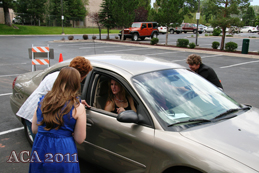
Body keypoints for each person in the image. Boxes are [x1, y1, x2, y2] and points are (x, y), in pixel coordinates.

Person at [16, 56, 92, 140]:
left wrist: (78, 101)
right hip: (36, 115)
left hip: (38, 113)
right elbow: (60, 99)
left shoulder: (59, 76)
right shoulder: (59, 80)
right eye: (84, 77)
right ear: (80, 75)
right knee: (42, 143)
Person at [29, 67, 86, 173]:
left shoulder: (43, 101)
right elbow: (80, 139)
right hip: (63, 148)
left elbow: (34, 129)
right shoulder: (78, 107)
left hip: (41, 146)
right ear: (76, 84)